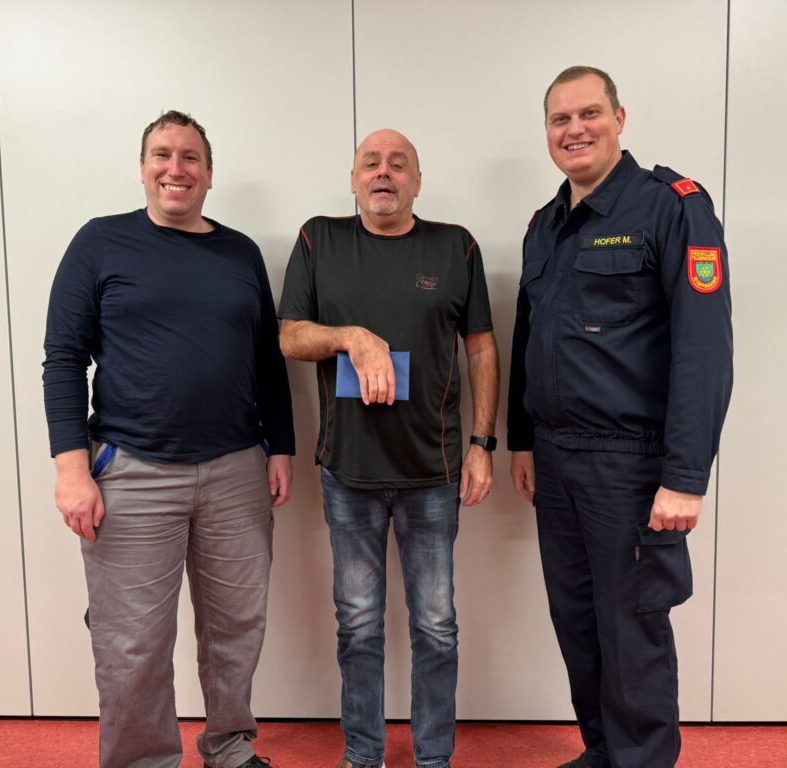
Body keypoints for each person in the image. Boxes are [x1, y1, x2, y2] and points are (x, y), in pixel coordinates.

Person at [43, 110, 294, 768]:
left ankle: (229, 746)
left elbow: (267, 362)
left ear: (209, 174)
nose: (175, 168)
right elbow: (64, 359)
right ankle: (141, 760)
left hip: (237, 470)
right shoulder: (100, 242)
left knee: (238, 625)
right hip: (131, 470)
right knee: (132, 641)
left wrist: (282, 446)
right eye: (162, 155)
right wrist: (72, 469)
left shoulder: (240, 253)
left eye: (189, 158)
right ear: (143, 167)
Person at [507, 67, 733, 768]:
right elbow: (527, 339)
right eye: (559, 119)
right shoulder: (544, 226)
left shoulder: (671, 206)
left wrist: (685, 477)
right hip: (556, 459)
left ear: (619, 118)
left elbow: (703, 348)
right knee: (578, 624)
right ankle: (603, 752)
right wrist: (522, 441)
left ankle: (641, 759)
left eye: (589, 114)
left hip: (629, 464)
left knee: (631, 631)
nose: (574, 129)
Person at [278, 129, 499, 768]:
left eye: (398, 164)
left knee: (436, 626)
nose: (384, 173)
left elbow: (481, 347)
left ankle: (434, 758)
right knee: (358, 625)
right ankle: (363, 754)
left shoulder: (456, 247)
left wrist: (483, 443)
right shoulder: (319, 239)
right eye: (370, 163)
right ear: (352, 180)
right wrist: (351, 336)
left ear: (417, 182)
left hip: (434, 471)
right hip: (349, 473)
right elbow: (290, 336)